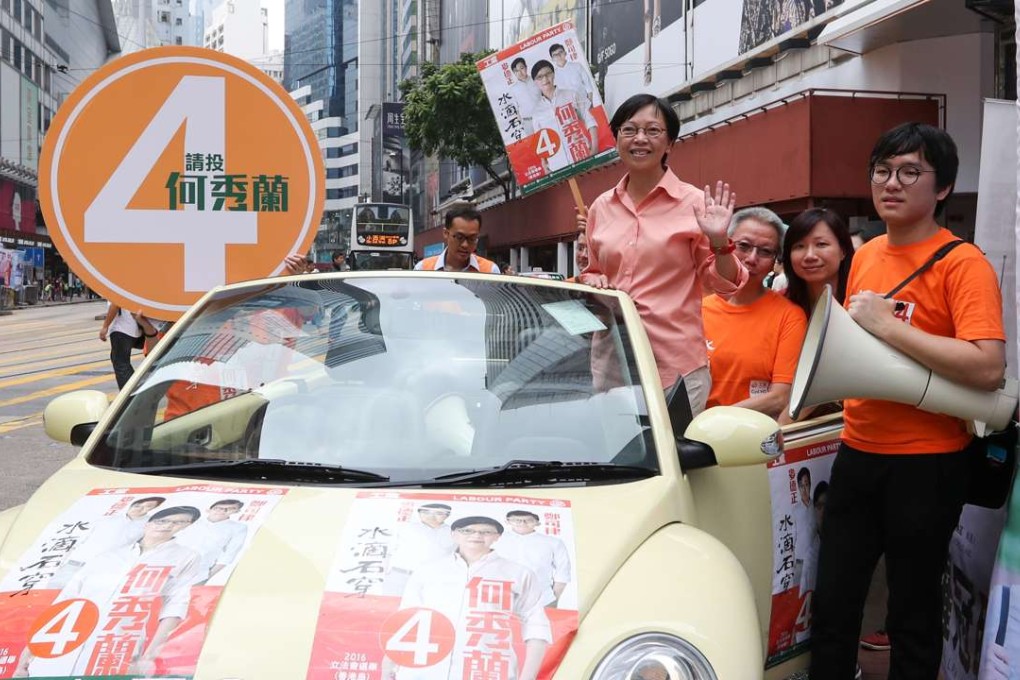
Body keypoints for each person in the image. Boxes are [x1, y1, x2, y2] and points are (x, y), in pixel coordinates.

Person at [809, 122, 1007, 679]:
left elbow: (988, 365)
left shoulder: (961, 262)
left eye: (909, 172)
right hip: (857, 452)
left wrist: (889, 329)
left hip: (928, 463)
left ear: (942, 188)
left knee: (913, 616)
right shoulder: (866, 254)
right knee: (833, 606)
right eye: (882, 170)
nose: (891, 183)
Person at [579, 93, 747, 414]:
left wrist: (720, 241)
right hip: (613, 363)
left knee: (673, 461)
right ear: (617, 140)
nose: (640, 139)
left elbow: (723, 283)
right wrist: (596, 281)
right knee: (620, 461)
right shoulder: (601, 207)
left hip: (675, 369)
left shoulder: (695, 203)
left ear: (669, 144)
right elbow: (593, 271)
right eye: (630, 130)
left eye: (653, 131)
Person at [14, 506, 203, 678]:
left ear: (188, 526)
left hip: (116, 647)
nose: (168, 525)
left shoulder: (185, 556)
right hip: (64, 643)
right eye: (162, 520)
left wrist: (150, 657)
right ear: (147, 524)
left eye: (178, 522)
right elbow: (65, 600)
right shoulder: (109, 554)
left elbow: (175, 605)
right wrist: (29, 651)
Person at [387, 516, 551, 680]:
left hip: (486, 670)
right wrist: (389, 668)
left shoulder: (518, 573)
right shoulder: (428, 570)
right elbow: (405, 621)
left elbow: (536, 626)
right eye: (467, 531)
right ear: (454, 534)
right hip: (424, 670)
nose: (476, 536)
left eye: (486, 532)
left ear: (497, 537)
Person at [702, 206, 806, 419]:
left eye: (766, 251)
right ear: (726, 245)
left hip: (751, 437)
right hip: (691, 438)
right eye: (744, 246)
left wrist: (714, 420)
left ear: (775, 260)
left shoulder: (789, 316)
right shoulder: (698, 310)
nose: (752, 258)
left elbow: (780, 397)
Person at [47, 496, 166, 588]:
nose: (141, 508)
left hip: (105, 569)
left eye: (148, 506)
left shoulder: (149, 525)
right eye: (138, 505)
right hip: (76, 563)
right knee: (51, 594)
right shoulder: (108, 518)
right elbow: (80, 538)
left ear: (153, 509)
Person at [782, 207, 855, 319]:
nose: (810, 256)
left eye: (821, 244)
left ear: (843, 251)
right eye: (799, 246)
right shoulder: (779, 304)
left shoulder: (861, 304)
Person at [530, 59, 598, 172]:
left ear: (553, 74)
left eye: (548, 74)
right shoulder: (537, 112)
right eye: (540, 77)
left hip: (582, 155)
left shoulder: (571, 95)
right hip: (557, 165)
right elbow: (540, 141)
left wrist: (595, 148)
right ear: (535, 82)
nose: (545, 79)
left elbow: (589, 119)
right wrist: (544, 164)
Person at [494, 510, 571, 607]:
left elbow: (563, 572)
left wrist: (554, 599)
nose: (522, 523)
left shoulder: (553, 542)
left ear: (537, 523)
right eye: (517, 520)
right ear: (508, 521)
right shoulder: (496, 539)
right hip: (500, 598)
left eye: (529, 520)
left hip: (542, 600)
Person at [382, 503, 455, 596]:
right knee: (391, 604)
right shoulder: (405, 528)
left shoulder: (454, 533)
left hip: (433, 579)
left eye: (439, 513)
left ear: (447, 516)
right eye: (426, 512)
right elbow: (388, 551)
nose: (431, 516)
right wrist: (384, 572)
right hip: (400, 575)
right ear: (419, 514)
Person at [175, 499, 248, 583]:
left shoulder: (238, 528)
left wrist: (208, 576)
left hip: (199, 573)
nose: (222, 511)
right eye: (218, 508)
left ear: (237, 511)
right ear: (209, 509)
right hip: (171, 566)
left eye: (230, 508)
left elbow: (230, 554)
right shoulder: (192, 521)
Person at [414, 205, 500, 273]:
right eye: (459, 237)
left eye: (472, 238)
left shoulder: (490, 271)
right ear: (446, 233)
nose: (465, 245)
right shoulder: (423, 269)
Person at [100, 301, 144, 389]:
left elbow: (115, 304)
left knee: (121, 365)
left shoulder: (117, 289)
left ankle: (129, 395)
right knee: (120, 362)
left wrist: (105, 327)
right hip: (134, 329)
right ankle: (134, 389)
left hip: (122, 330)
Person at [510, 57, 540, 135]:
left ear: (526, 67)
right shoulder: (513, 89)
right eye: (516, 71)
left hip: (543, 116)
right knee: (535, 145)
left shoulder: (537, 80)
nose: (520, 72)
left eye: (521, 68)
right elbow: (515, 109)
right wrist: (521, 123)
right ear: (514, 73)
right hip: (528, 122)